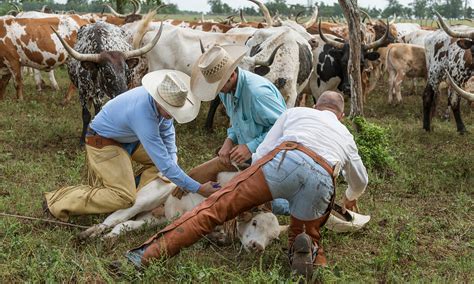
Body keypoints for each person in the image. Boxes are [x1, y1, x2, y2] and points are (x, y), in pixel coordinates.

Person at [125, 90, 369, 279]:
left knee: (214, 209)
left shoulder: (296, 113)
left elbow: (263, 151)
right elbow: (360, 179)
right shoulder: (345, 135)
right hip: (322, 178)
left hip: (285, 158)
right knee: (305, 231)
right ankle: (305, 249)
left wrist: (254, 190)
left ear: (315, 105)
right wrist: (350, 196)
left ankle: (144, 256)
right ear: (341, 116)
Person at [43, 70, 219, 222]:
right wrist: (198, 187)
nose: (171, 115)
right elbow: (164, 164)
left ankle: (136, 192)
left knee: (166, 167)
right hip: (103, 141)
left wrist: (173, 160)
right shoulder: (143, 114)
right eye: (170, 111)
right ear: (159, 101)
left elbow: (168, 136)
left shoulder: (162, 107)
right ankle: (57, 202)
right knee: (124, 197)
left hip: (128, 139)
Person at [172, 44, 290, 214]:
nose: (217, 90)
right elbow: (236, 122)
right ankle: (174, 202)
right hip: (245, 157)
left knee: (266, 204)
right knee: (194, 175)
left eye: (218, 86)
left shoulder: (257, 94)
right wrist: (229, 141)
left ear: (232, 74)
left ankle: (294, 205)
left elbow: (284, 127)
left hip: (272, 157)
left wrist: (250, 147)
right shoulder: (225, 90)